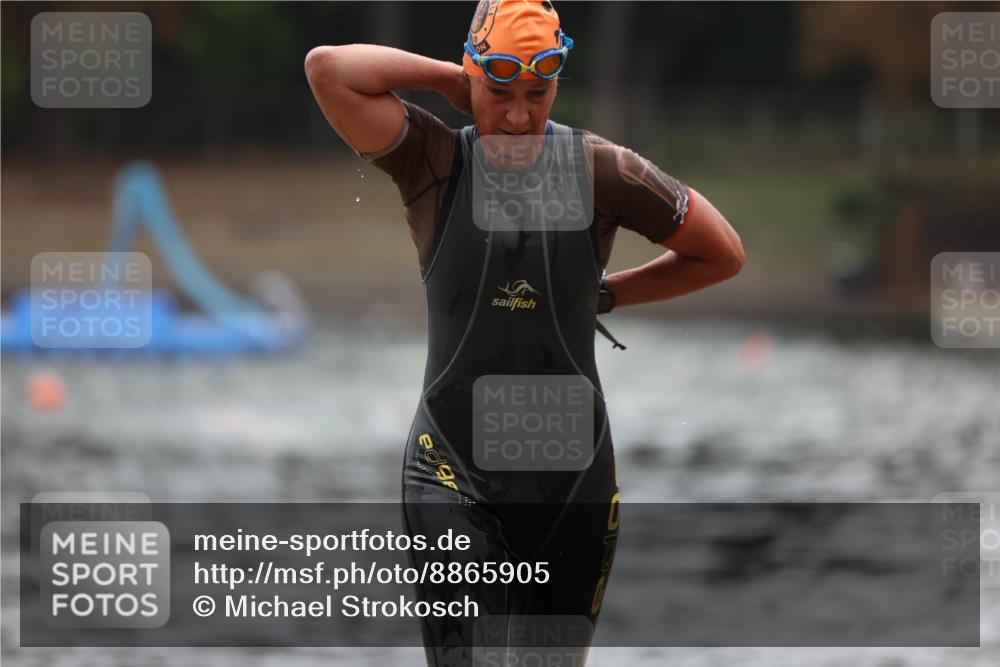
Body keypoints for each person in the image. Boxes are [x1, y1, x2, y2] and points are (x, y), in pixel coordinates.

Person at [306, 1, 744, 664]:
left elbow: (722, 252)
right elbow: (329, 71)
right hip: (449, 468)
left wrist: (604, 294)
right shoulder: (435, 161)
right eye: (498, 92)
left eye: (536, 94)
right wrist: (449, 80)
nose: (516, 116)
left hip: (570, 483)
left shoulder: (603, 170)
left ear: (557, 85)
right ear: (471, 76)